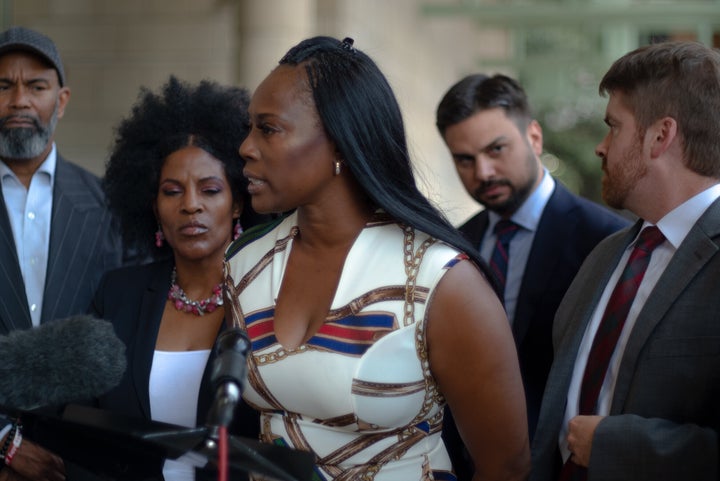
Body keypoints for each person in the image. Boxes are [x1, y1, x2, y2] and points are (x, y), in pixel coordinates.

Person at [223, 36, 530, 481]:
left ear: (341, 144)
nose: (246, 147)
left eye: (268, 129)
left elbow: (506, 464)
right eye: (250, 128)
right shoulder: (245, 266)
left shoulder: (438, 281)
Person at [530, 41, 720, 481]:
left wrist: (621, 448)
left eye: (613, 127)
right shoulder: (608, 253)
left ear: (660, 136)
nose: (601, 146)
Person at [434, 74, 629, 477]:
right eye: (465, 160)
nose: (483, 172)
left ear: (534, 138)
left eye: (496, 149)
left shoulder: (605, 239)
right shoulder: (452, 245)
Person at [89, 76, 266, 481]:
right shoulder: (117, 295)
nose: (190, 206)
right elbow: (86, 425)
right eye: (172, 191)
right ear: (152, 205)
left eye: (209, 190)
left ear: (237, 201)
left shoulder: (267, 294)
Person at [0, 26, 125, 481]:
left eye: (36, 86)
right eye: (3, 86)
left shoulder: (111, 206)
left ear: (63, 100)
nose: (19, 101)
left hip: (83, 460)